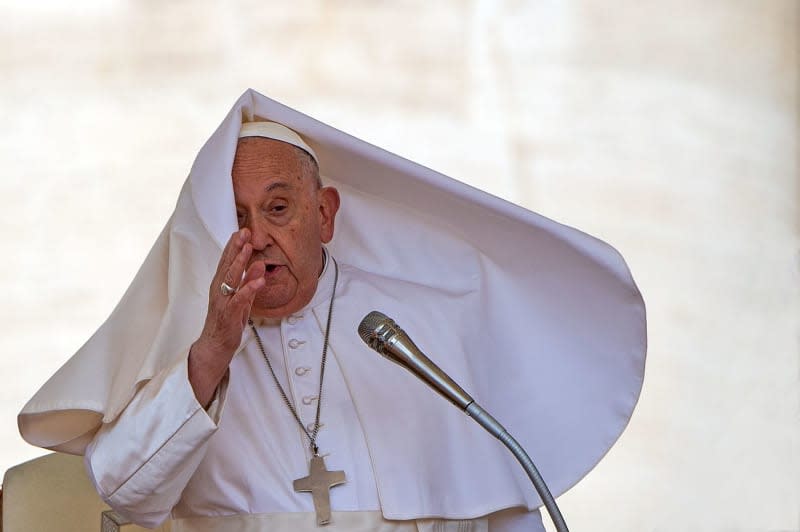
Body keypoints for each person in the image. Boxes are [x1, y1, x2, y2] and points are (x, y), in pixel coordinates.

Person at [19, 89, 647, 531]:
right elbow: (127, 497)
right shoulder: (191, 346)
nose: (259, 235)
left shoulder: (411, 331)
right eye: (237, 218)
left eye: (278, 207)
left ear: (323, 215)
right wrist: (210, 354)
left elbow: (501, 509)